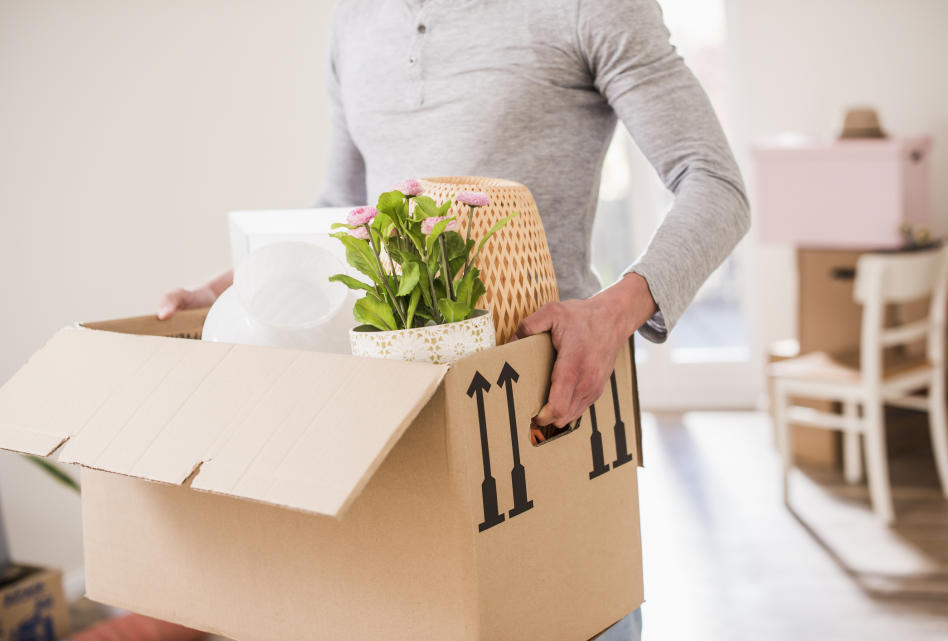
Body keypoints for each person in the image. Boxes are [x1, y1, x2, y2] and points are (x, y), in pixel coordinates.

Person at [159, 0, 749, 636]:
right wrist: (243, 282)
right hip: (395, 405)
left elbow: (715, 183)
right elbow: (344, 205)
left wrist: (613, 314)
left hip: (542, 396)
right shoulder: (355, 20)